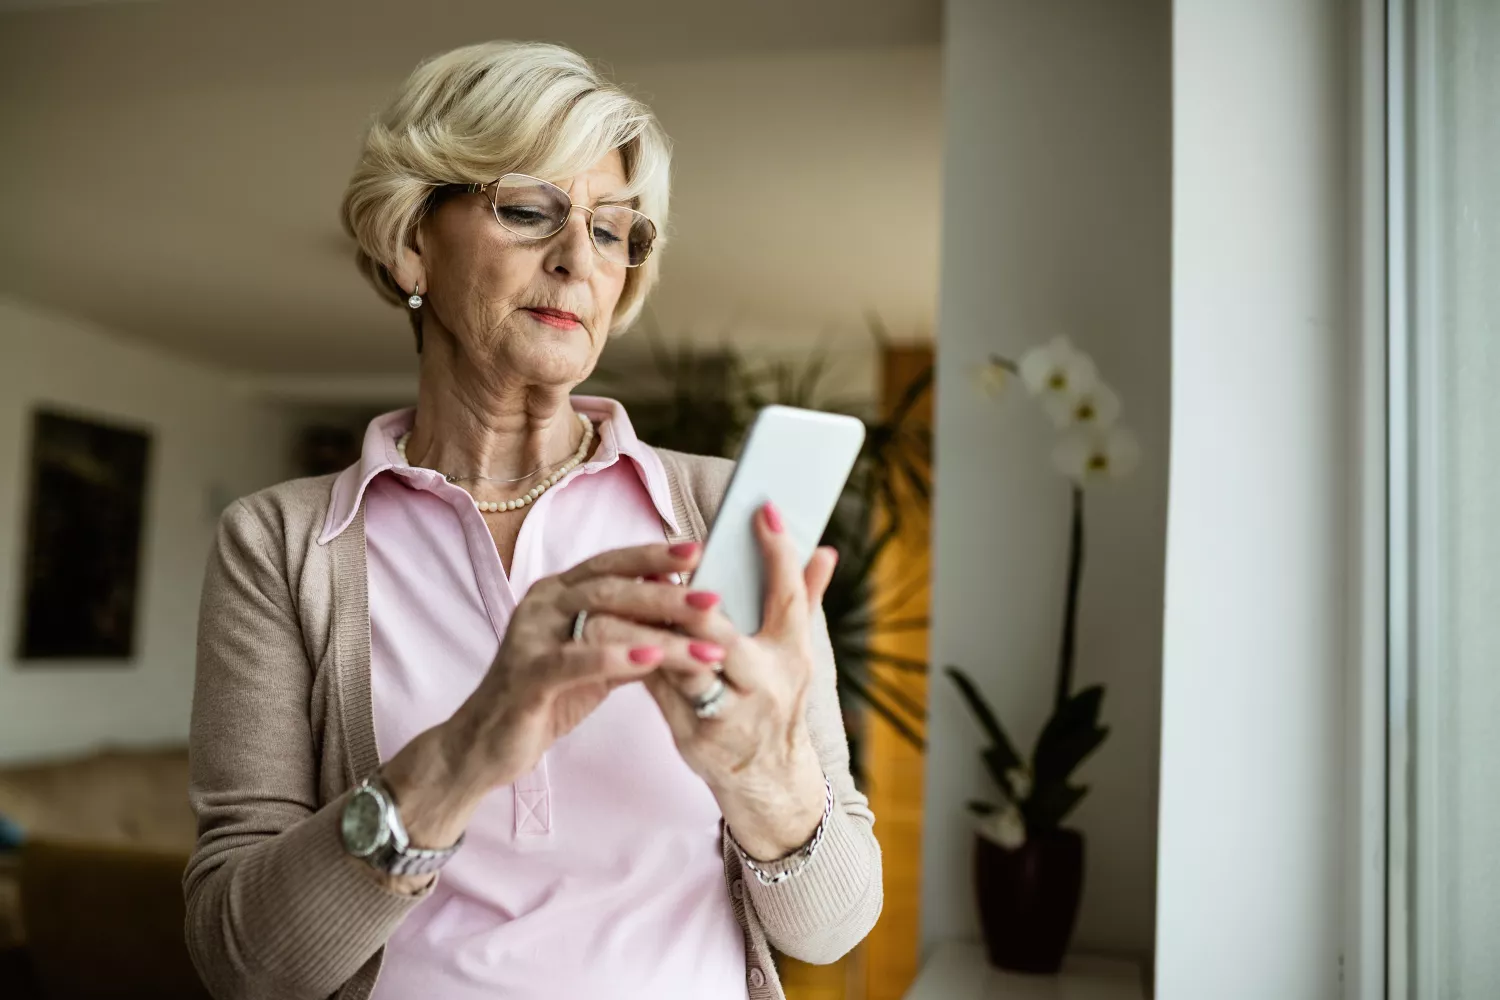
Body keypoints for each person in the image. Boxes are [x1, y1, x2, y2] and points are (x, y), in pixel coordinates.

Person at [183, 40, 881, 1000]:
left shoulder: (721, 511)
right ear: (409, 240)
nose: (576, 259)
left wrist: (765, 775)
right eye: (528, 209)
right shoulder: (282, 545)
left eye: (610, 229)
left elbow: (837, 926)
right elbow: (241, 960)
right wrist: (468, 747)